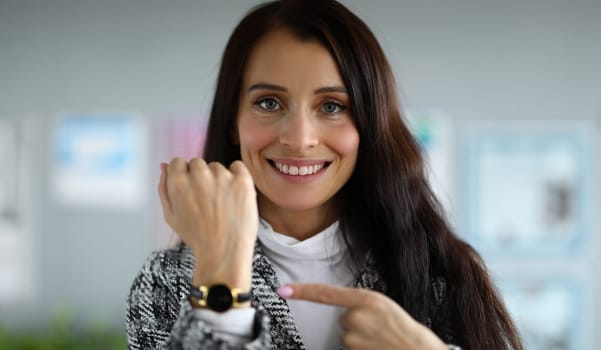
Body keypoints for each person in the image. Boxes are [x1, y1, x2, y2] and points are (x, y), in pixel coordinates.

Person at [126, 0, 523, 349]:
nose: (299, 139)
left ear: (368, 124)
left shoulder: (444, 274)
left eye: (332, 106)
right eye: (268, 102)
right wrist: (219, 278)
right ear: (233, 120)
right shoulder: (164, 280)